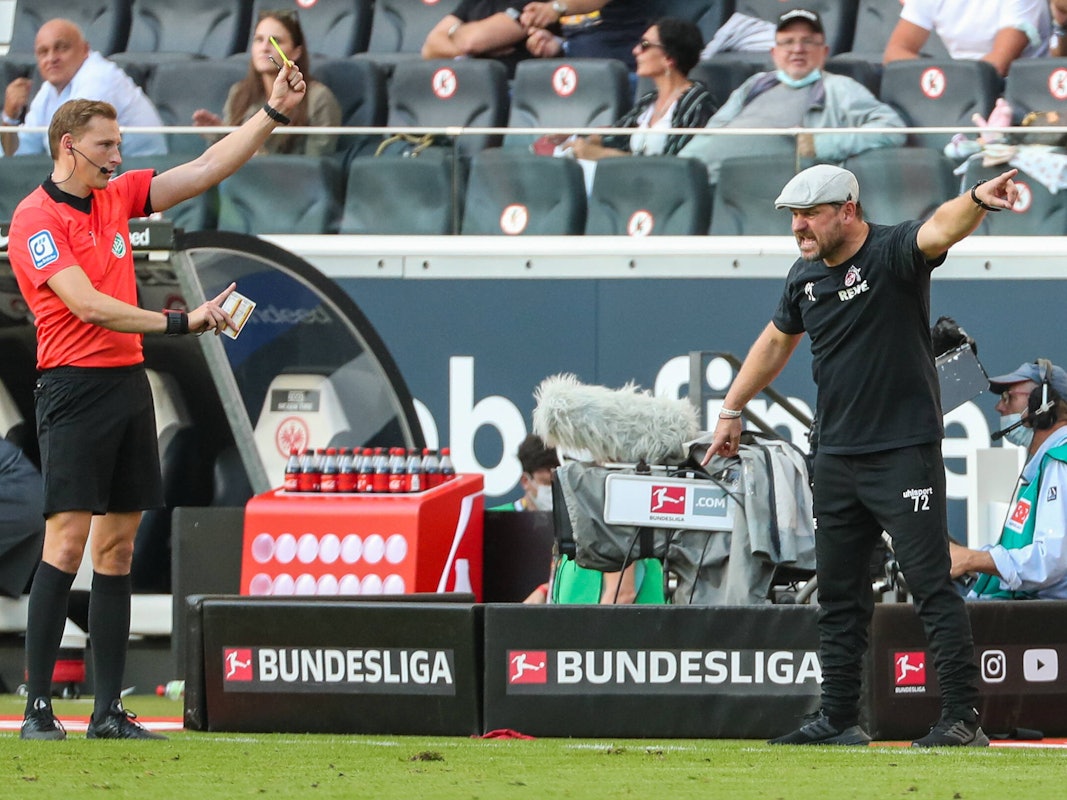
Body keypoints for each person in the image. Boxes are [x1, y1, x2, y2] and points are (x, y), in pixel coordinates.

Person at [8, 55, 307, 740]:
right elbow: (87, 305)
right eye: (107, 146)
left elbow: (204, 170)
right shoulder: (35, 218)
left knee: (116, 548)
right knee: (67, 541)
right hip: (73, 388)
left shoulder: (115, 196)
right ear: (69, 146)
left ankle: (108, 711)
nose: (119, 156)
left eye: (119, 145)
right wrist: (183, 322)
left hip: (125, 384)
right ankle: (38, 708)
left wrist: (271, 114)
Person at [703, 162, 1021, 747]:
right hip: (836, 456)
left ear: (847, 210)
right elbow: (776, 341)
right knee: (840, 595)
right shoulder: (804, 277)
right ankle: (838, 719)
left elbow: (939, 229)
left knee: (930, 583)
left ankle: (961, 717)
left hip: (902, 451)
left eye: (810, 214)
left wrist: (976, 197)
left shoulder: (893, 252)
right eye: (793, 216)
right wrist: (731, 408)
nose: (799, 227)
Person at [679, 9, 906, 187]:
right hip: (703, 181)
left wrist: (818, 144)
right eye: (788, 42)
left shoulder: (840, 88)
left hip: (760, 187)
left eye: (808, 41)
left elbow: (892, 129)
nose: (797, 49)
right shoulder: (755, 84)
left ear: (824, 52)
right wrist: (683, 163)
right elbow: (712, 132)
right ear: (774, 52)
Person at [950, 360, 1067, 599]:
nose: (999, 408)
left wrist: (972, 559)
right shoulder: (1046, 465)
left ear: (1042, 405)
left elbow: (1050, 560)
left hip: (1045, 627)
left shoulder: (1060, 461)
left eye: (1008, 397)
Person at [1, 18, 166, 158]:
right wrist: (9, 118)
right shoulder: (49, 89)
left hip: (142, 179)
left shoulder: (99, 77)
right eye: (43, 52)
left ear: (85, 49)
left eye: (62, 48)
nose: (51, 58)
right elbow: (21, 156)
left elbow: (73, 154)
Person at [192, 9, 340, 156]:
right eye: (258, 40)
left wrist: (256, 155)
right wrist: (221, 135)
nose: (264, 48)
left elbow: (316, 168)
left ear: (296, 52)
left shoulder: (319, 98)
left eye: (276, 41)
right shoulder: (239, 93)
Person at [563, 18, 717, 160]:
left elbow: (675, 166)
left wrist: (603, 155)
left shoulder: (698, 102)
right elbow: (615, 136)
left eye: (644, 45)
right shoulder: (649, 100)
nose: (635, 51)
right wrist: (575, 135)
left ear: (668, 58)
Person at [883, 0, 1050, 76]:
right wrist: (940, 77)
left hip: (1018, 88)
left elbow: (998, 65)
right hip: (961, 84)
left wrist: (948, 80)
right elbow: (894, 53)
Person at [520, 0, 651, 71]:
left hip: (622, 73)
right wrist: (560, 44)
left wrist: (557, 8)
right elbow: (581, 30)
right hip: (579, 73)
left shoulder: (560, 6)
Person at [422, 1, 531, 78]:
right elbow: (430, 46)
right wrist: (470, 56)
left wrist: (452, 35)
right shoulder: (475, 2)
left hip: (511, 87)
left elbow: (471, 42)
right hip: (474, 85)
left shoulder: (532, 3)